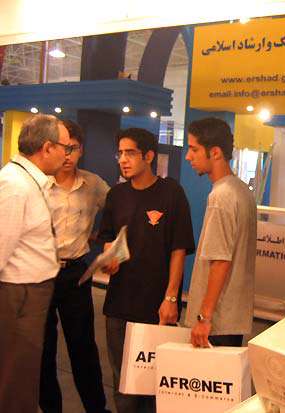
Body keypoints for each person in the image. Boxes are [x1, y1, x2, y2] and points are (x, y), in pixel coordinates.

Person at [99, 128, 195, 412]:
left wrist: (171, 298)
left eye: (130, 153)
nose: (123, 160)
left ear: (149, 156)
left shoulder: (172, 193)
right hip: (119, 305)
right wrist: (109, 258)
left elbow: (178, 249)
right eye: (120, 153)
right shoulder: (116, 195)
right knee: (124, 385)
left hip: (157, 308)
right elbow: (108, 238)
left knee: (156, 386)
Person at [0, 114, 70, 413]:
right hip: (19, 295)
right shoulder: (15, 186)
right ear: (47, 147)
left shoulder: (29, 182)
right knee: (15, 379)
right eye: (65, 147)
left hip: (29, 294)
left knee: (24, 374)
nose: (68, 155)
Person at [40, 120, 111, 413]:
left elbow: (118, 211)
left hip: (76, 274)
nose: (67, 155)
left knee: (83, 347)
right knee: (43, 350)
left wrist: (105, 239)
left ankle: (97, 408)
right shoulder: (40, 185)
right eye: (63, 148)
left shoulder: (94, 185)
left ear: (82, 150)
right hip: (41, 274)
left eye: (74, 148)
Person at [184, 117, 257, 348]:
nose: (188, 156)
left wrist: (204, 318)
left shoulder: (222, 196)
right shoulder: (241, 190)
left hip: (217, 322)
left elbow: (220, 260)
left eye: (194, 149)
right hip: (233, 318)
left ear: (215, 152)